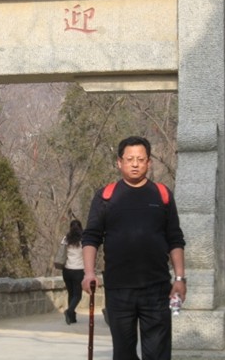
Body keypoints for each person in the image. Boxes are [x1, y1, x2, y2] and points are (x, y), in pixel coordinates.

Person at [82, 136, 186, 360]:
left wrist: (179, 278)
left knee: (157, 354)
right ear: (119, 162)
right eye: (129, 159)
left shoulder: (162, 195)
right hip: (119, 289)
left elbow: (175, 239)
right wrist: (89, 273)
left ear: (149, 162)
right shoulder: (105, 197)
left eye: (141, 159)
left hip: (157, 288)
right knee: (123, 353)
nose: (135, 164)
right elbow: (91, 237)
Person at [61, 219, 84, 325]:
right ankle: (69, 312)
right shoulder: (83, 240)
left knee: (71, 293)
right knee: (78, 295)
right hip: (78, 270)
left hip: (66, 270)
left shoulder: (66, 238)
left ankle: (72, 318)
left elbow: (62, 252)